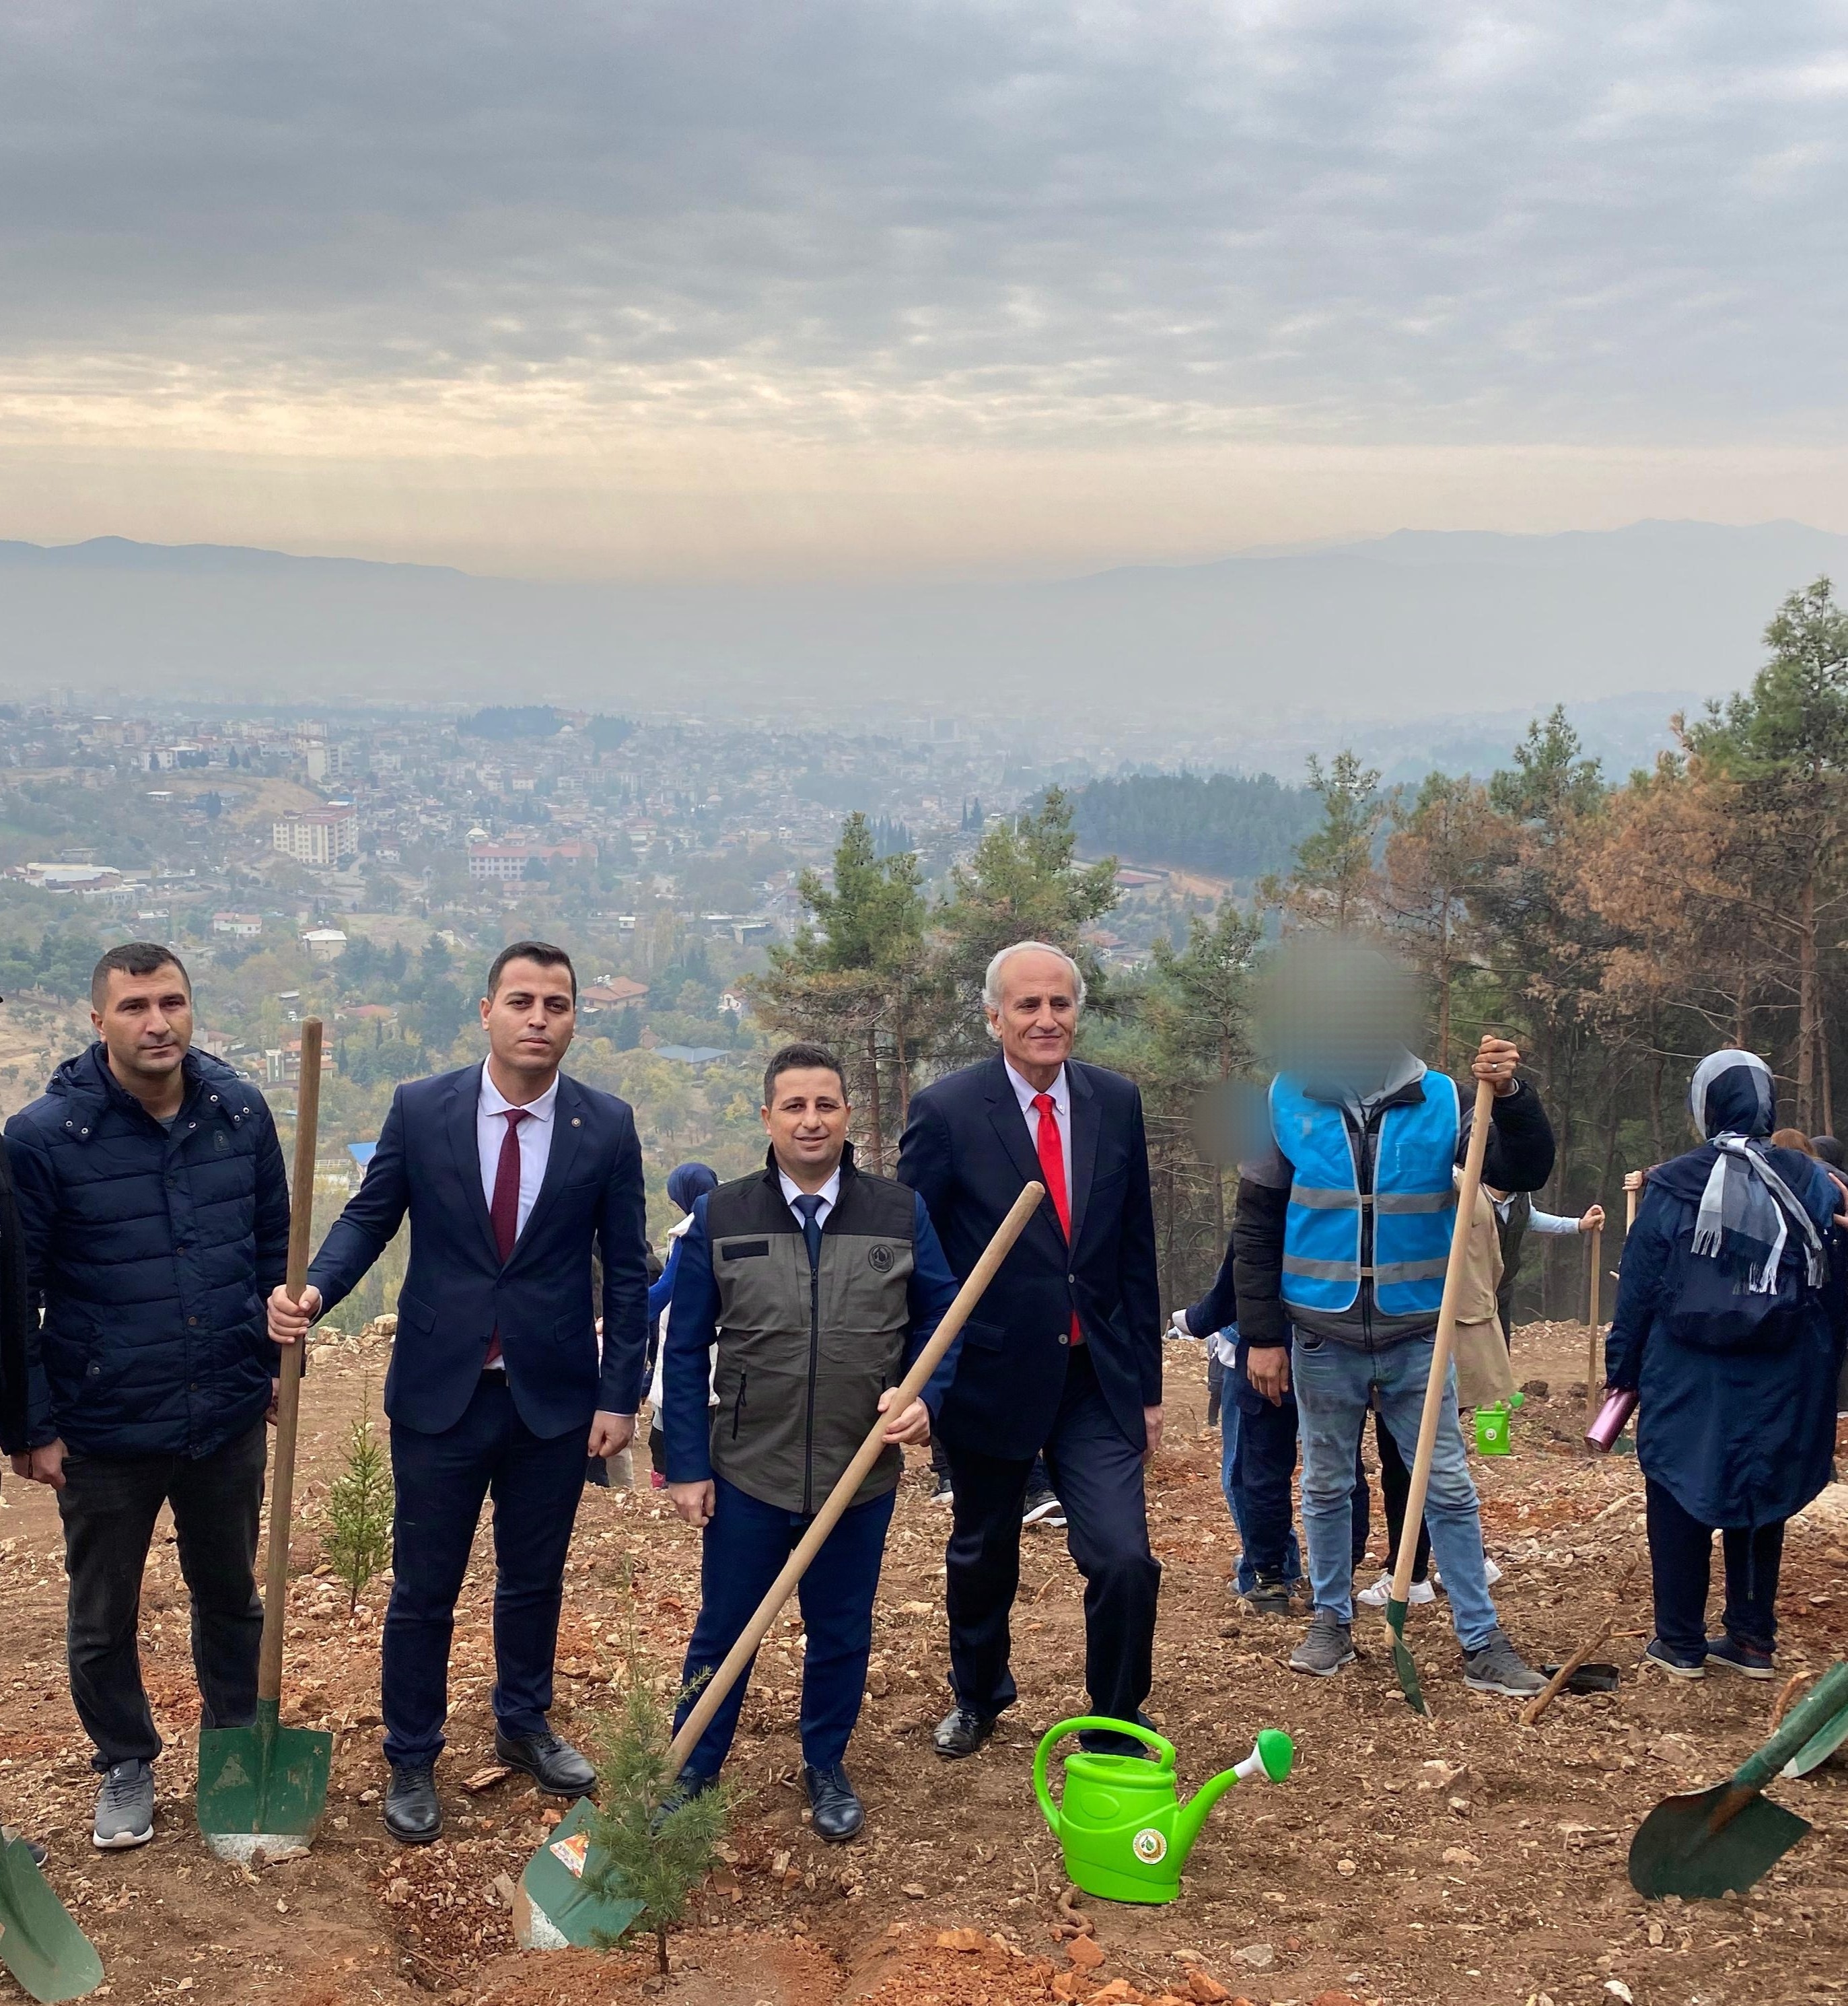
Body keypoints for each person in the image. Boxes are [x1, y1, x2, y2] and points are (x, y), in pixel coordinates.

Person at [269, 941, 649, 1844]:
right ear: (486, 1012)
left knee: (532, 1580)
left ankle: (523, 1723)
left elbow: (627, 1273)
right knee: (424, 1587)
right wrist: (316, 1294)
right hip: (442, 1393)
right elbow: (370, 1217)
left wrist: (619, 1394)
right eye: (521, 1000)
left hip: (550, 1397)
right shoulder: (424, 1109)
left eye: (556, 1004)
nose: (538, 1017)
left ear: (571, 1020)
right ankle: (411, 1752)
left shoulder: (607, 1125)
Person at [6, 944, 289, 1850]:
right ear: (99, 1022)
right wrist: (31, 1424)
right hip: (104, 1424)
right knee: (103, 1611)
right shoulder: (43, 1140)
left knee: (229, 1594)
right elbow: (15, 1293)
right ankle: (125, 1759)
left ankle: (235, 1743)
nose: (156, 1021)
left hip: (225, 1411)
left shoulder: (238, 1113)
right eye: (134, 1006)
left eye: (171, 1001)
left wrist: (271, 1364)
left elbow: (270, 1246)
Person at [663, 1043, 962, 1839]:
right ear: (766, 1117)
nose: (810, 1119)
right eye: (793, 1105)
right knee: (724, 1630)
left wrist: (925, 1393)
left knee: (840, 1630)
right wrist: (687, 1463)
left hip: (856, 1472)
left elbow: (941, 1314)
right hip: (747, 1471)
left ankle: (825, 1763)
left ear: (847, 1116)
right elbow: (684, 1347)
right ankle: (690, 1771)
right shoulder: (722, 1216)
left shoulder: (899, 1213)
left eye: (825, 1104)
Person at [898, 941, 1162, 1760]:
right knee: (984, 1554)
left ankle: (1114, 1715)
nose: (1045, 1020)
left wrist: (1147, 1386)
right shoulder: (945, 1111)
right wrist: (924, 1382)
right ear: (994, 1016)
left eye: (1060, 1004)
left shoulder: (1115, 1102)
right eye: (1027, 1006)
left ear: (1077, 1011)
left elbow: (1133, 1248)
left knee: (1123, 1557)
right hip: (990, 1374)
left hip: (1095, 1376)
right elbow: (917, 1251)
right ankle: (977, 1695)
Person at [1234, 1029, 1555, 1694]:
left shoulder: (1446, 1099)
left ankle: (1481, 1638)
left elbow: (1522, 1170)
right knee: (1326, 1484)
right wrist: (1262, 1336)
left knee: (1446, 1486)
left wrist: (1514, 1097)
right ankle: (1331, 1620)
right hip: (1322, 1332)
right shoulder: (1287, 1098)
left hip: (1418, 1337)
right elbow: (1257, 1223)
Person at [1606, 1049, 1847, 1680]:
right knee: (1760, 1493)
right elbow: (1831, 1280)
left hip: (1687, 1368)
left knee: (1677, 1491)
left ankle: (1680, 1642)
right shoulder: (1812, 1181)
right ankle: (1752, 1641)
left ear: (1704, 1104)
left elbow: (1640, 1284)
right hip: (1784, 1367)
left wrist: (1623, 1369)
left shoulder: (1674, 1182)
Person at [641, 1162, 719, 1489]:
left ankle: (674, 1484)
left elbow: (665, 1291)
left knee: (680, 1422)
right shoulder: (734, 1220)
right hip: (730, 1339)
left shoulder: (691, 1232)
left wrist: (624, 1312)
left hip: (692, 1338)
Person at [1491, 1189, 1605, 1343]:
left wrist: (1579, 1224)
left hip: (1501, 1290)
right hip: (1467, 1294)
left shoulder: (1522, 1191)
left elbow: (1531, 1219)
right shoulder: (1462, 1189)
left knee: (1500, 1359)